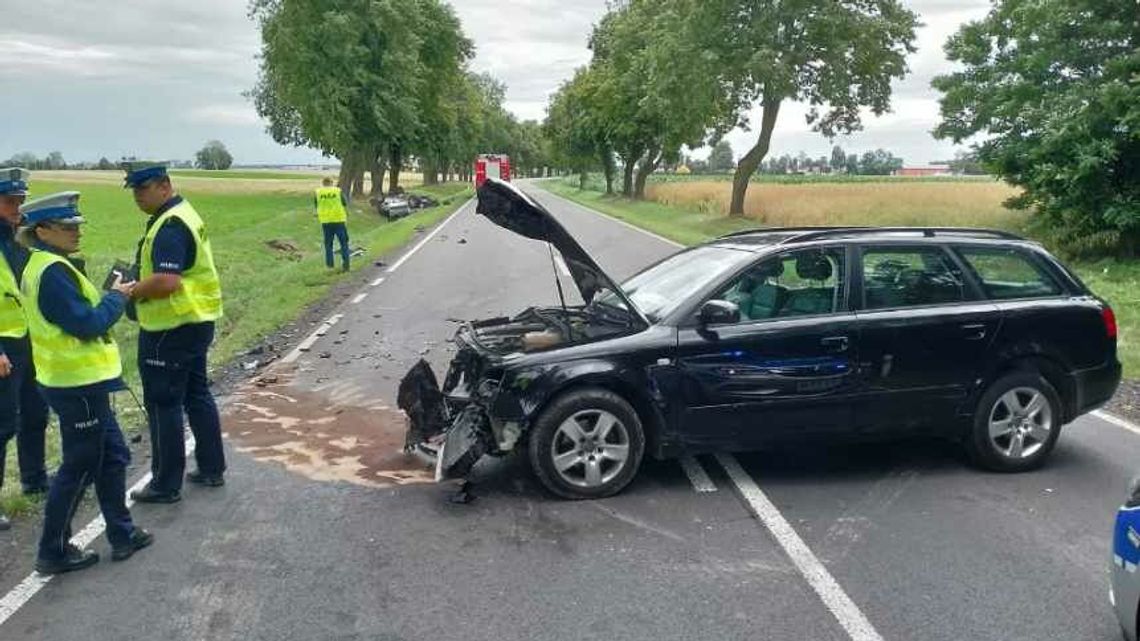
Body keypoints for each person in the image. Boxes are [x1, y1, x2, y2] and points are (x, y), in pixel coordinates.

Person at [18, 191, 152, 574]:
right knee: (79, 465)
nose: (76, 232)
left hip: (83, 383)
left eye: (78, 225)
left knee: (113, 455)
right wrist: (115, 297)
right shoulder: (51, 272)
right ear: (42, 230)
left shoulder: (51, 264)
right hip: (75, 386)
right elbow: (87, 324)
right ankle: (53, 550)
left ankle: (122, 533)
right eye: (67, 227)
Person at [122, 162, 225, 504]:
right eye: (134, 191)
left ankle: (165, 484)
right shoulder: (184, 213)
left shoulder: (169, 226)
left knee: (163, 404)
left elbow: (167, 281)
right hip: (196, 321)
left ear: (164, 185)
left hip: (169, 327)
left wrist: (131, 291)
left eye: (143, 189)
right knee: (196, 394)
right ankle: (211, 467)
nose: (137, 197)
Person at [0, 168, 50, 532]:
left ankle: (35, 478)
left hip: (29, 338)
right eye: (9, 202)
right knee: (2, 424)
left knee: (35, 411)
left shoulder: (16, 238)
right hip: (3, 346)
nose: (17, 208)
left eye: (20, 201)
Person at [314, 177, 350, 272]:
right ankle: (346, 265)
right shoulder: (337, 191)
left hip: (326, 221)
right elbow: (344, 203)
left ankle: (330, 266)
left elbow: (316, 205)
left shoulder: (318, 193)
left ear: (323, 183)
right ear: (331, 182)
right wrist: (347, 215)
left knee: (328, 244)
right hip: (339, 220)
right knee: (344, 243)